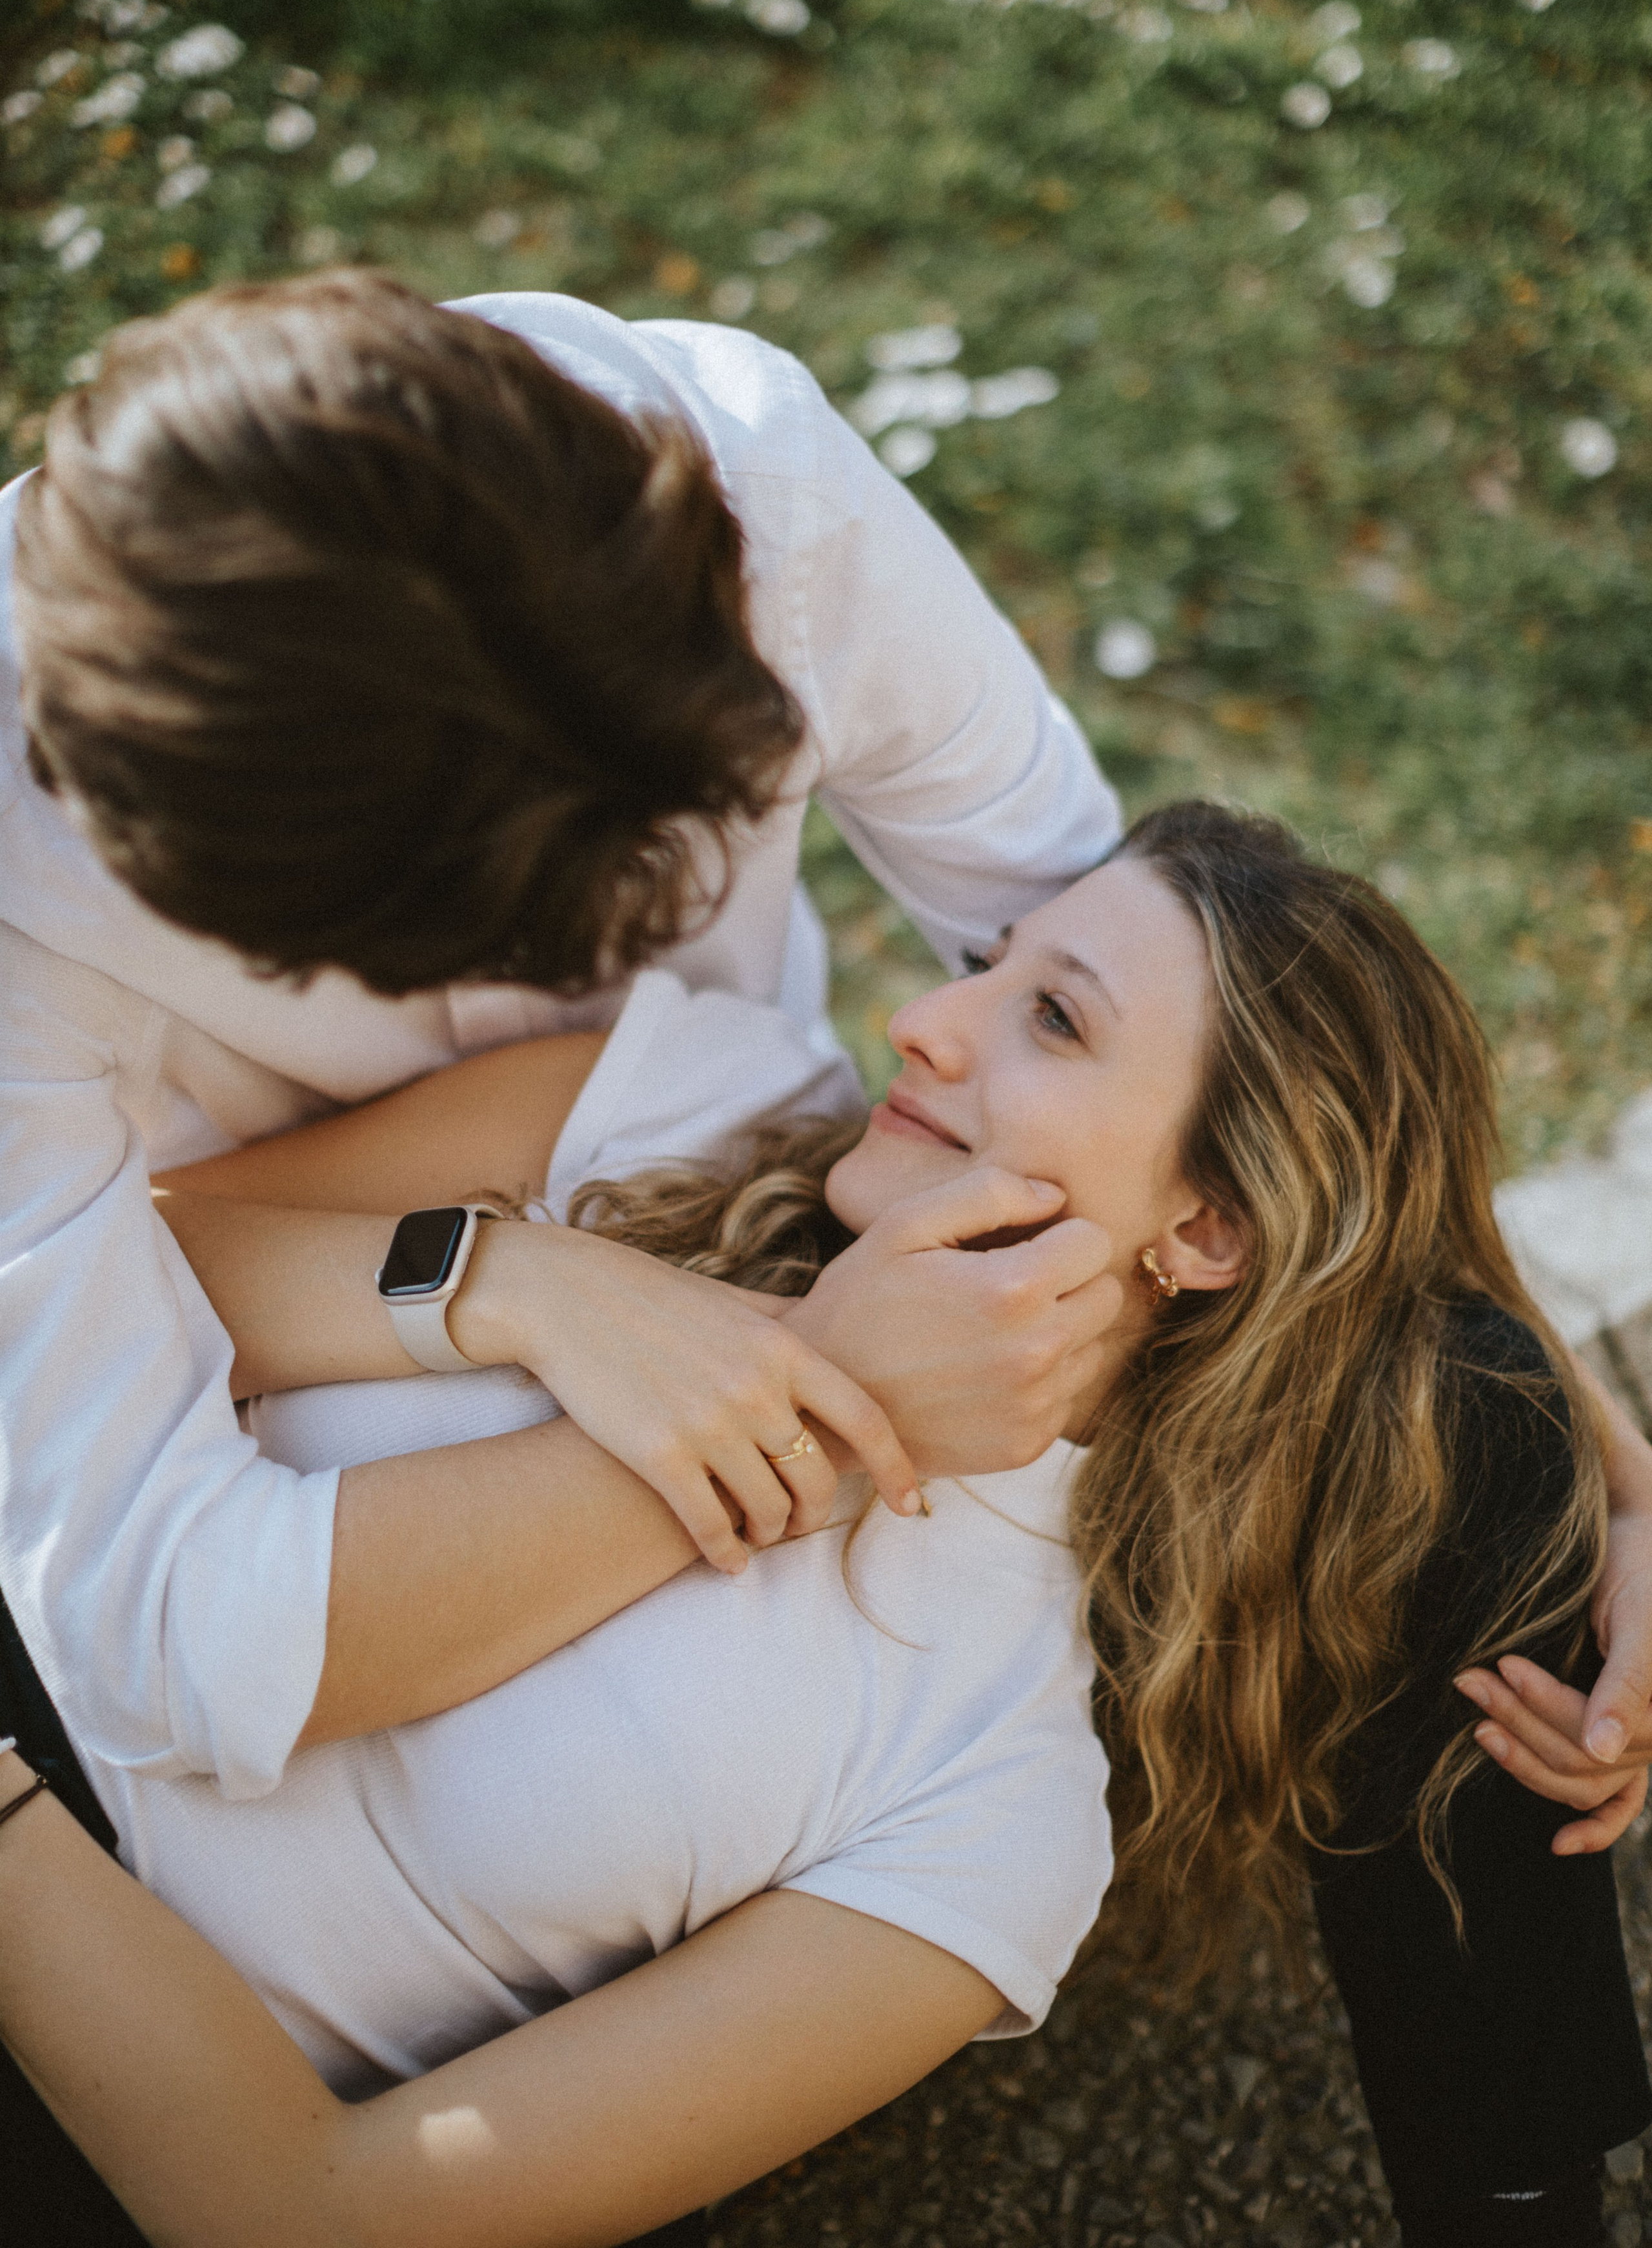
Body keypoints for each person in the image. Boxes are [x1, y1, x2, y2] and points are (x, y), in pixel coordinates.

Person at [2, 804, 1646, 2248]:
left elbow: (308, 2209)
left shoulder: (995, 1803)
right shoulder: (700, 1099)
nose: (921, 1017)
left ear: (1207, 1226)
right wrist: (528, 1283)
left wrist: (817, 1399)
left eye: (1051, 1019)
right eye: (987, 966)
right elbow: (114, 1265)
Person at [0, 268, 1127, 1823]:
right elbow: (167, 1635)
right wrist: (690, 1343)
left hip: (764, 1210)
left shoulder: (756, 493)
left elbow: (1158, 964)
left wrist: (1567, 1430)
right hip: (296, 1419)